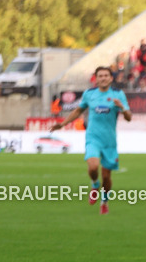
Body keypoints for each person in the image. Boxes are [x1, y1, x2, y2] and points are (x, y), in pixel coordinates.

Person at [50, 67, 132, 214]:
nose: (103, 78)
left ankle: (104, 201)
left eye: (106, 75)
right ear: (96, 78)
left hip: (110, 141)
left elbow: (129, 118)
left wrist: (122, 108)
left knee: (107, 176)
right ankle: (95, 185)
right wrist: (62, 124)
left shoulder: (118, 95)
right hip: (93, 138)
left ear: (111, 78)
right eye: (100, 76)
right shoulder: (89, 94)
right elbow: (78, 111)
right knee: (93, 167)